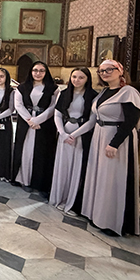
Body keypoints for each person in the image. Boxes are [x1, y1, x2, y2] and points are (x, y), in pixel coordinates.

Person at [82, 60, 140, 236]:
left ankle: (112, 221)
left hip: (116, 139)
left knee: (112, 178)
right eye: (101, 71)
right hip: (100, 135)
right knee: (100, 175)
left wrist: (114, 143)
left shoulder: (128, 92)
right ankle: (97, 214)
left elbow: (131, 121)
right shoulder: (104, 92)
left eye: (109, 69)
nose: (105, 73)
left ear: (120, 71)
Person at [49, 67, 98, 216]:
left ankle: (71, 201)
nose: (77, 80)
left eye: (81, 77)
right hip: (64, 135)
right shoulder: (64, 93)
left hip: (81, 136)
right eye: (74, 77)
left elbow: (92, 120)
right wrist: (63, 133)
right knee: (62, 166)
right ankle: (59, 197)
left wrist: (74, 135)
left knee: (76, 168)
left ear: (87, 79)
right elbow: (57, 115)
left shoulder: (93, 96)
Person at [13, 62, 59, 196]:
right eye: (35, 70)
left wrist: (38, 120)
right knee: (25, 151)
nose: (38, 73)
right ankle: (24, 179)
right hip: (26, 124)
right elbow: (18, 105)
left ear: (46, 72)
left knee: (42, 153)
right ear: (31, 72)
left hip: (44, 125)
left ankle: (39, 183)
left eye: (41, 71)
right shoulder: (22, 87)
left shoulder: (53, 88)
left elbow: (53, 106)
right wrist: (30, 120)